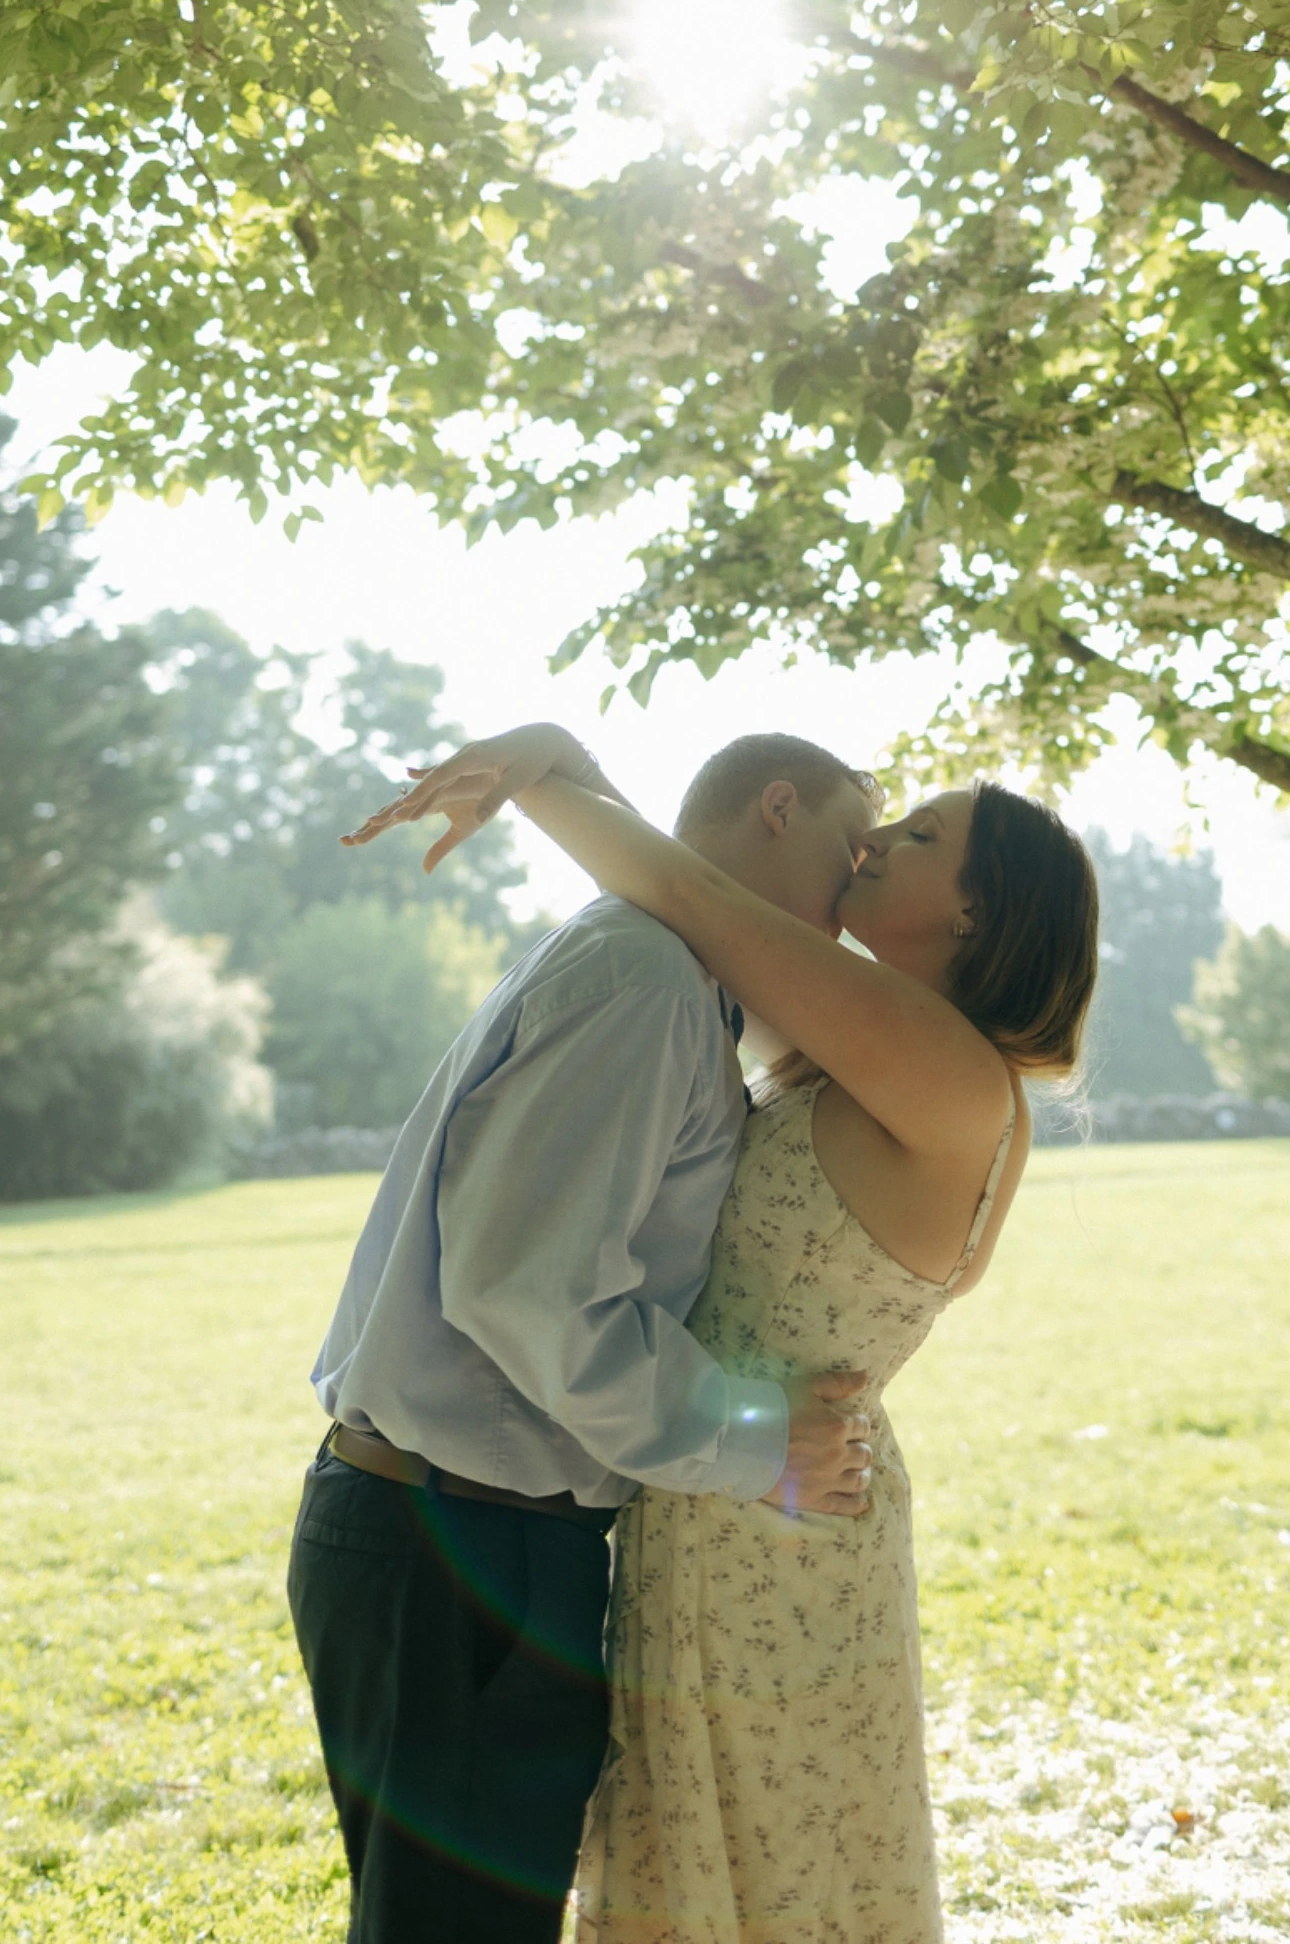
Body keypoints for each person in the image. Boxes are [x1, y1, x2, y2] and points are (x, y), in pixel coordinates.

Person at [353, 721, 1100, 1944]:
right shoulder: (843, 1057)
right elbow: (701, 888)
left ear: (973, 915)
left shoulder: (948, 1071)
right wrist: (561, 762)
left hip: (774, 1531)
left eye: (919, 836)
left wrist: (544, 765)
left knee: (773, 1883)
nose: (879, 842)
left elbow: (691, 891)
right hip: (715, 1506)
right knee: (700, 1881)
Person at [288, 732, 884, 1944]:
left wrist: (561, 760)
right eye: (851, 846)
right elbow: (531, 1291)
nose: (855, 894)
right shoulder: (645, 979)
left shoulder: (660, 969)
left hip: (471, 1534)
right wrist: (760, 1437)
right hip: (461, 1544)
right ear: (779, 807)